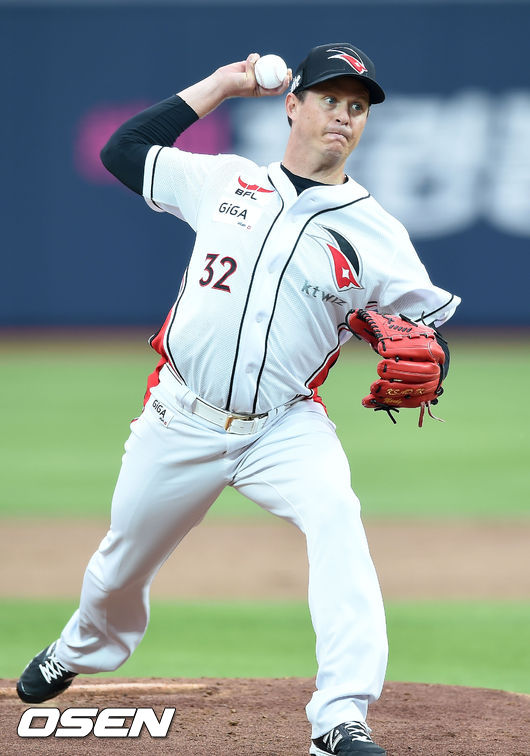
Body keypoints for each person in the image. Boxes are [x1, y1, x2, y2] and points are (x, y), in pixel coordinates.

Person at [16, 43, 460, 755]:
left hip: (283, 427)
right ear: (293, 104)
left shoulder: (378, 232)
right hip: (179, 416)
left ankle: (340, 717)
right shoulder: (226, 181)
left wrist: (424, 354)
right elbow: (122, 151)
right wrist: (223, 85)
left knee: (337, 519)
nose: (343, 115)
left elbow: (427, 335)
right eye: (329, 99)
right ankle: (80, 647)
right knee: (119, 565)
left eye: (357, 106)